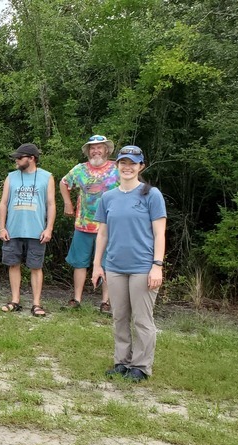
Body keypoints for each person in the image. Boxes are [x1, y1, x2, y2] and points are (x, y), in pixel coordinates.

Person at [91, 145, 166, 383]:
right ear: (117, 165)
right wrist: (97, 264)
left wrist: (157, 265)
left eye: (133, 163)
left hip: (143, 267)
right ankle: (122, 362)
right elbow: (102, 234)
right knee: (119, 317)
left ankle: (141, 367)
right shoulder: (108, 197)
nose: (127, 167)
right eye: (123, 162)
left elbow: (160, 234)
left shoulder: (151, 194)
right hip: (114, 266)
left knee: (142, 319)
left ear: (140, 166)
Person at [60, 134, 119, 311]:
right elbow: (63, 183)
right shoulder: (80, 169)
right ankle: (76, 300)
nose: (95, 151)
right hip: (84, 225)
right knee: (79, 263)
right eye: (92, 148)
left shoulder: (116, 169)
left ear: (106, 150)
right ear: (88, 152)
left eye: (99, 147)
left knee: (108, 264)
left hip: (109, 226)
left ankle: (105, 302)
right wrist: (68, 203)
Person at [0, 143, 56, 317]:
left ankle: (36, 304)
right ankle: (15, 300)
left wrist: (49, 228)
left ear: (31, 158)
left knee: (36, 267)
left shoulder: (47, 177)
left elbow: (51, 204)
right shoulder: (11, 177)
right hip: (13, 229)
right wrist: (2, 227)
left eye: (19, 157)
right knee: (13, 264)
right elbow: (3, 203)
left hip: (37, 230)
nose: (16, 160)